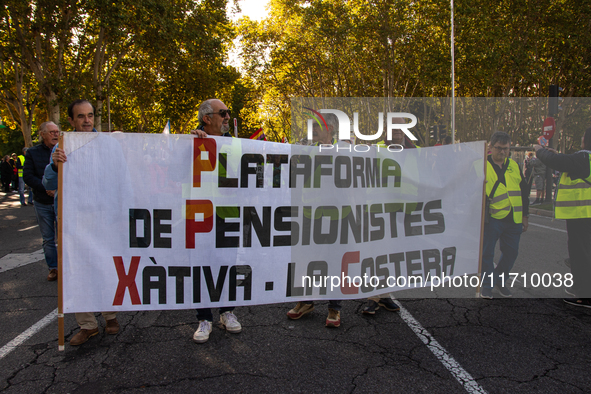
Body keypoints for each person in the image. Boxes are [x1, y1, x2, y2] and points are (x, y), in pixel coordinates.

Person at [43, 99, 119, 345]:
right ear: (71, 120)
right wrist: (55, 167)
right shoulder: (64, 147)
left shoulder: (106, 144)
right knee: (75, 271)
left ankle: (110, 316)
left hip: (102, 218)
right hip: (72, 222)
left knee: (104, 267)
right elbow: (48, 185)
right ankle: (87, 325)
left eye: (90, 115)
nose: (87, 120)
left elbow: (122, 178)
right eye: (81, 116)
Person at [190, 98, 242, 343]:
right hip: (200, 215)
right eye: (223, 113)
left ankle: (226, 312)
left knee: (227, 266)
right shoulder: (191, 142)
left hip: (228, 214)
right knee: (201, 267)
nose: (227, 117)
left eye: (228, 113)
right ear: (207, 118)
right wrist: (188, 142)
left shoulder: (235, 144)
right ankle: (204, 318)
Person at [286, 113, 344, 327]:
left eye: (317, 126)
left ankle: (334, 308)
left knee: (334, 262)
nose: (313, 129)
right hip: (310, 214)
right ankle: (306, 302)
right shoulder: (305, 150)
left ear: (329, 128)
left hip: (338, 216)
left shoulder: (345, 149)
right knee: (307, 261)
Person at [534, 127, 591, 307]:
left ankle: (583, 294)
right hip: (584, 215)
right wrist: (556, 154)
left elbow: (557, 161)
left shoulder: (584, 158)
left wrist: (540, 151)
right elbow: (565, 162)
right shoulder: (583, 160)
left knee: (580, 254)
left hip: (582, 215)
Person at [480, 131, 529, 299]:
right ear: (490, 147)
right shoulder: (481, 165)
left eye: (506, 149)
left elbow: (524, 191)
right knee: (487, 254)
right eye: (499, 148)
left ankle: (499, 280)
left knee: (511, 253)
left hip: (514, 218)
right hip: (492, 218)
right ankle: (486, 286)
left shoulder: (514, 165)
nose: (502, 152)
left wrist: (525, 216)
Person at [23, 122, 59, 281]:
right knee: (48, 238)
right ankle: (53, 268)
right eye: (51, 132)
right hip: (43, 202)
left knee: (66, 236)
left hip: (62, 201)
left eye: (57, 131)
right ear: (42, 134)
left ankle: (68, 268)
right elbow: (28, 176)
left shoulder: (64, 149)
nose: (55, 134)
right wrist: (46, 188)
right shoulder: (32, 153)